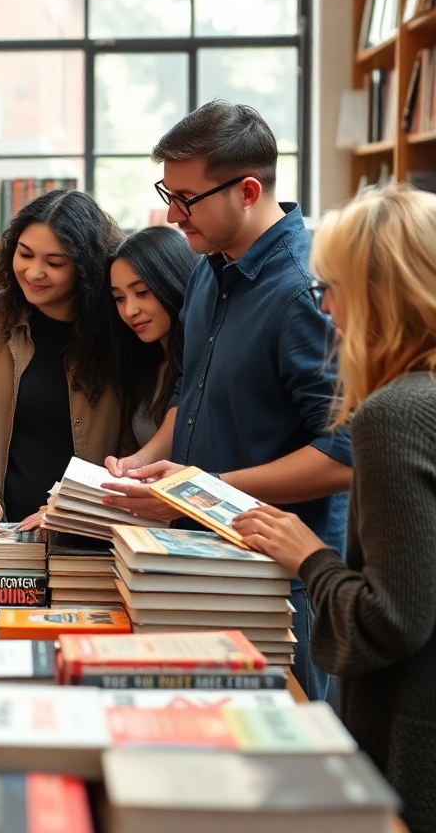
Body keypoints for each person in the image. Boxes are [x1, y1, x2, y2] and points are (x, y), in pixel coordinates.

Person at [103, 100, 352, 701]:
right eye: (169, 191)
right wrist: (144, 465)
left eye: (186, 198)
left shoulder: (302, 291)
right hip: (204, 558)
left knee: (291, 753)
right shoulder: (209, 268)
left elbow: (344, 456)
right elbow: (190, 398)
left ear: (246, 191)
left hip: (278, 580)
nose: (171, 212)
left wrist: (200, 488)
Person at [232, 184, 436, 833]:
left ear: (380, 294)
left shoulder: (396, 415)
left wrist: (307, 554)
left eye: (333, 287)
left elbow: (390, 621)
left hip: (410, 735)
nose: (324, 307)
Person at [0, 188, 131, 528]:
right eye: (25, 254)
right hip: (3, 528)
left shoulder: (121, 326)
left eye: (55, 262)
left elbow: (130, 447)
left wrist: (72, 508)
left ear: (86, 267)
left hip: (91, 529)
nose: (33, 272)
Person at [108, 225, 198, 446]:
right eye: (119, 298)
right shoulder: (144, 369)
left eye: (142, 293)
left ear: (173, 282)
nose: (130, 311)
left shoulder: (204, 367)